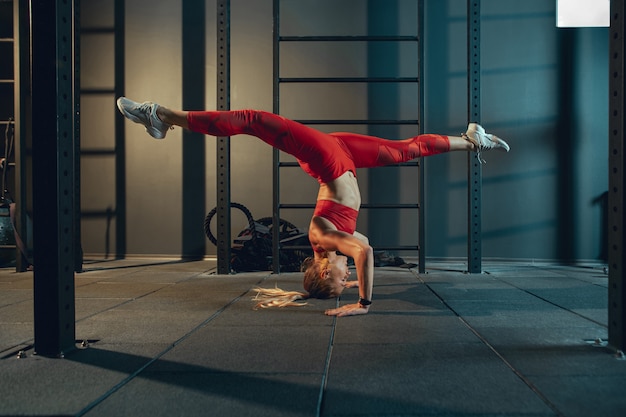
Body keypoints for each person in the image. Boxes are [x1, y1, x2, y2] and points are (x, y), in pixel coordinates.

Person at [116, 97, 510, 317]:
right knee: (408, 150)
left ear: (324, 267)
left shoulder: (323, 237)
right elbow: (363, 244)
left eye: (339, 278)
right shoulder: (335, 246)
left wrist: (363, 303)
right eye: (346, 281)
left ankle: (162, 116)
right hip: (344, 158)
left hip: (328, 161)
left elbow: (365, 250)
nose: (346, 276)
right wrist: (352, 279)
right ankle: (471, 139)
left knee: (254, 120)